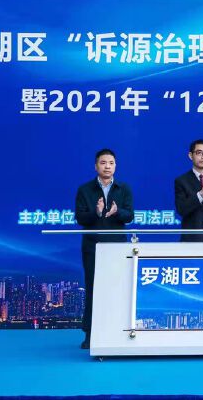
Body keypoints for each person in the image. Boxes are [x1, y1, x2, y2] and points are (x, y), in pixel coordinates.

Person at [75, 148, 134, 350]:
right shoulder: (85, 190)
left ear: (115, 166)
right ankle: (90, 334)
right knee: (93, 289)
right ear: (96, 166)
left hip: (116, 248)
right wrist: (96, 212)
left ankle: (116, 332)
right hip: (93, 246)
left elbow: (129, 215)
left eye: (111, 163)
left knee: (116, 290)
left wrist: (117, 212)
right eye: (103, 163)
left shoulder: (123, 188)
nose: (107, 166)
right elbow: (80, 218)